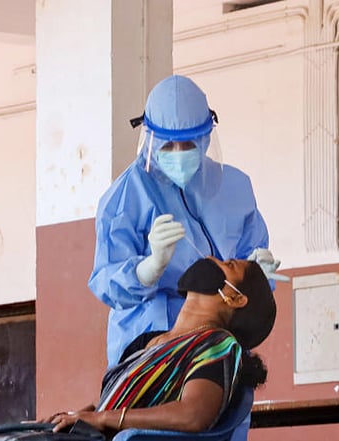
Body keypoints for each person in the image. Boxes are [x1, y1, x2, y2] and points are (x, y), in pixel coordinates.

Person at [89, 74, 286, 368]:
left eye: (189, 145)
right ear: (150, 138)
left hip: (220, 338)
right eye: (168, 146)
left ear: (206, 137)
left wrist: (259, 273)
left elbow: (248, 265)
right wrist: (147, 269)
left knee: (217, 406)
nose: (179, 155)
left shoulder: (235, 188)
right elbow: (107, 280)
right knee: (163, 412)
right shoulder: (125, 197)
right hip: (150, 342)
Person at [40, 257, 276, 436]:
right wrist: (75, 418)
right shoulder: (145, 343)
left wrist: (103, 419)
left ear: (235, 298)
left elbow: (194, 415)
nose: (213, 259)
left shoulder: (218, 344)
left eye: (229, 265)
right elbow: (116, 401)